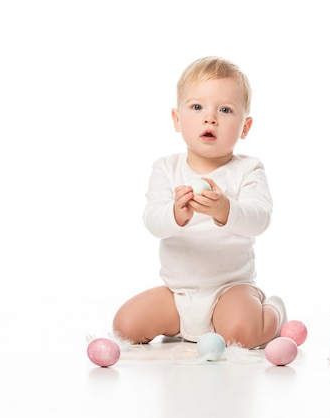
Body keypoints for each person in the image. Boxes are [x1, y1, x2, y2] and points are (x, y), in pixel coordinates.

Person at [112, 56, 286, 349]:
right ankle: (181, 326)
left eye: (226, 110)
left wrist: (225, 210)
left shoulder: (248, 169)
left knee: (243, 334)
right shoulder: (166, 168)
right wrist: (175, 215)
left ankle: (274, 310)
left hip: (230, 290)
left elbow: (260, 218)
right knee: (125, 327)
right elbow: (153, 220)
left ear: (245, 126)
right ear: (177, 120)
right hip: (178, 294)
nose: (210, 118)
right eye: (197, 107)